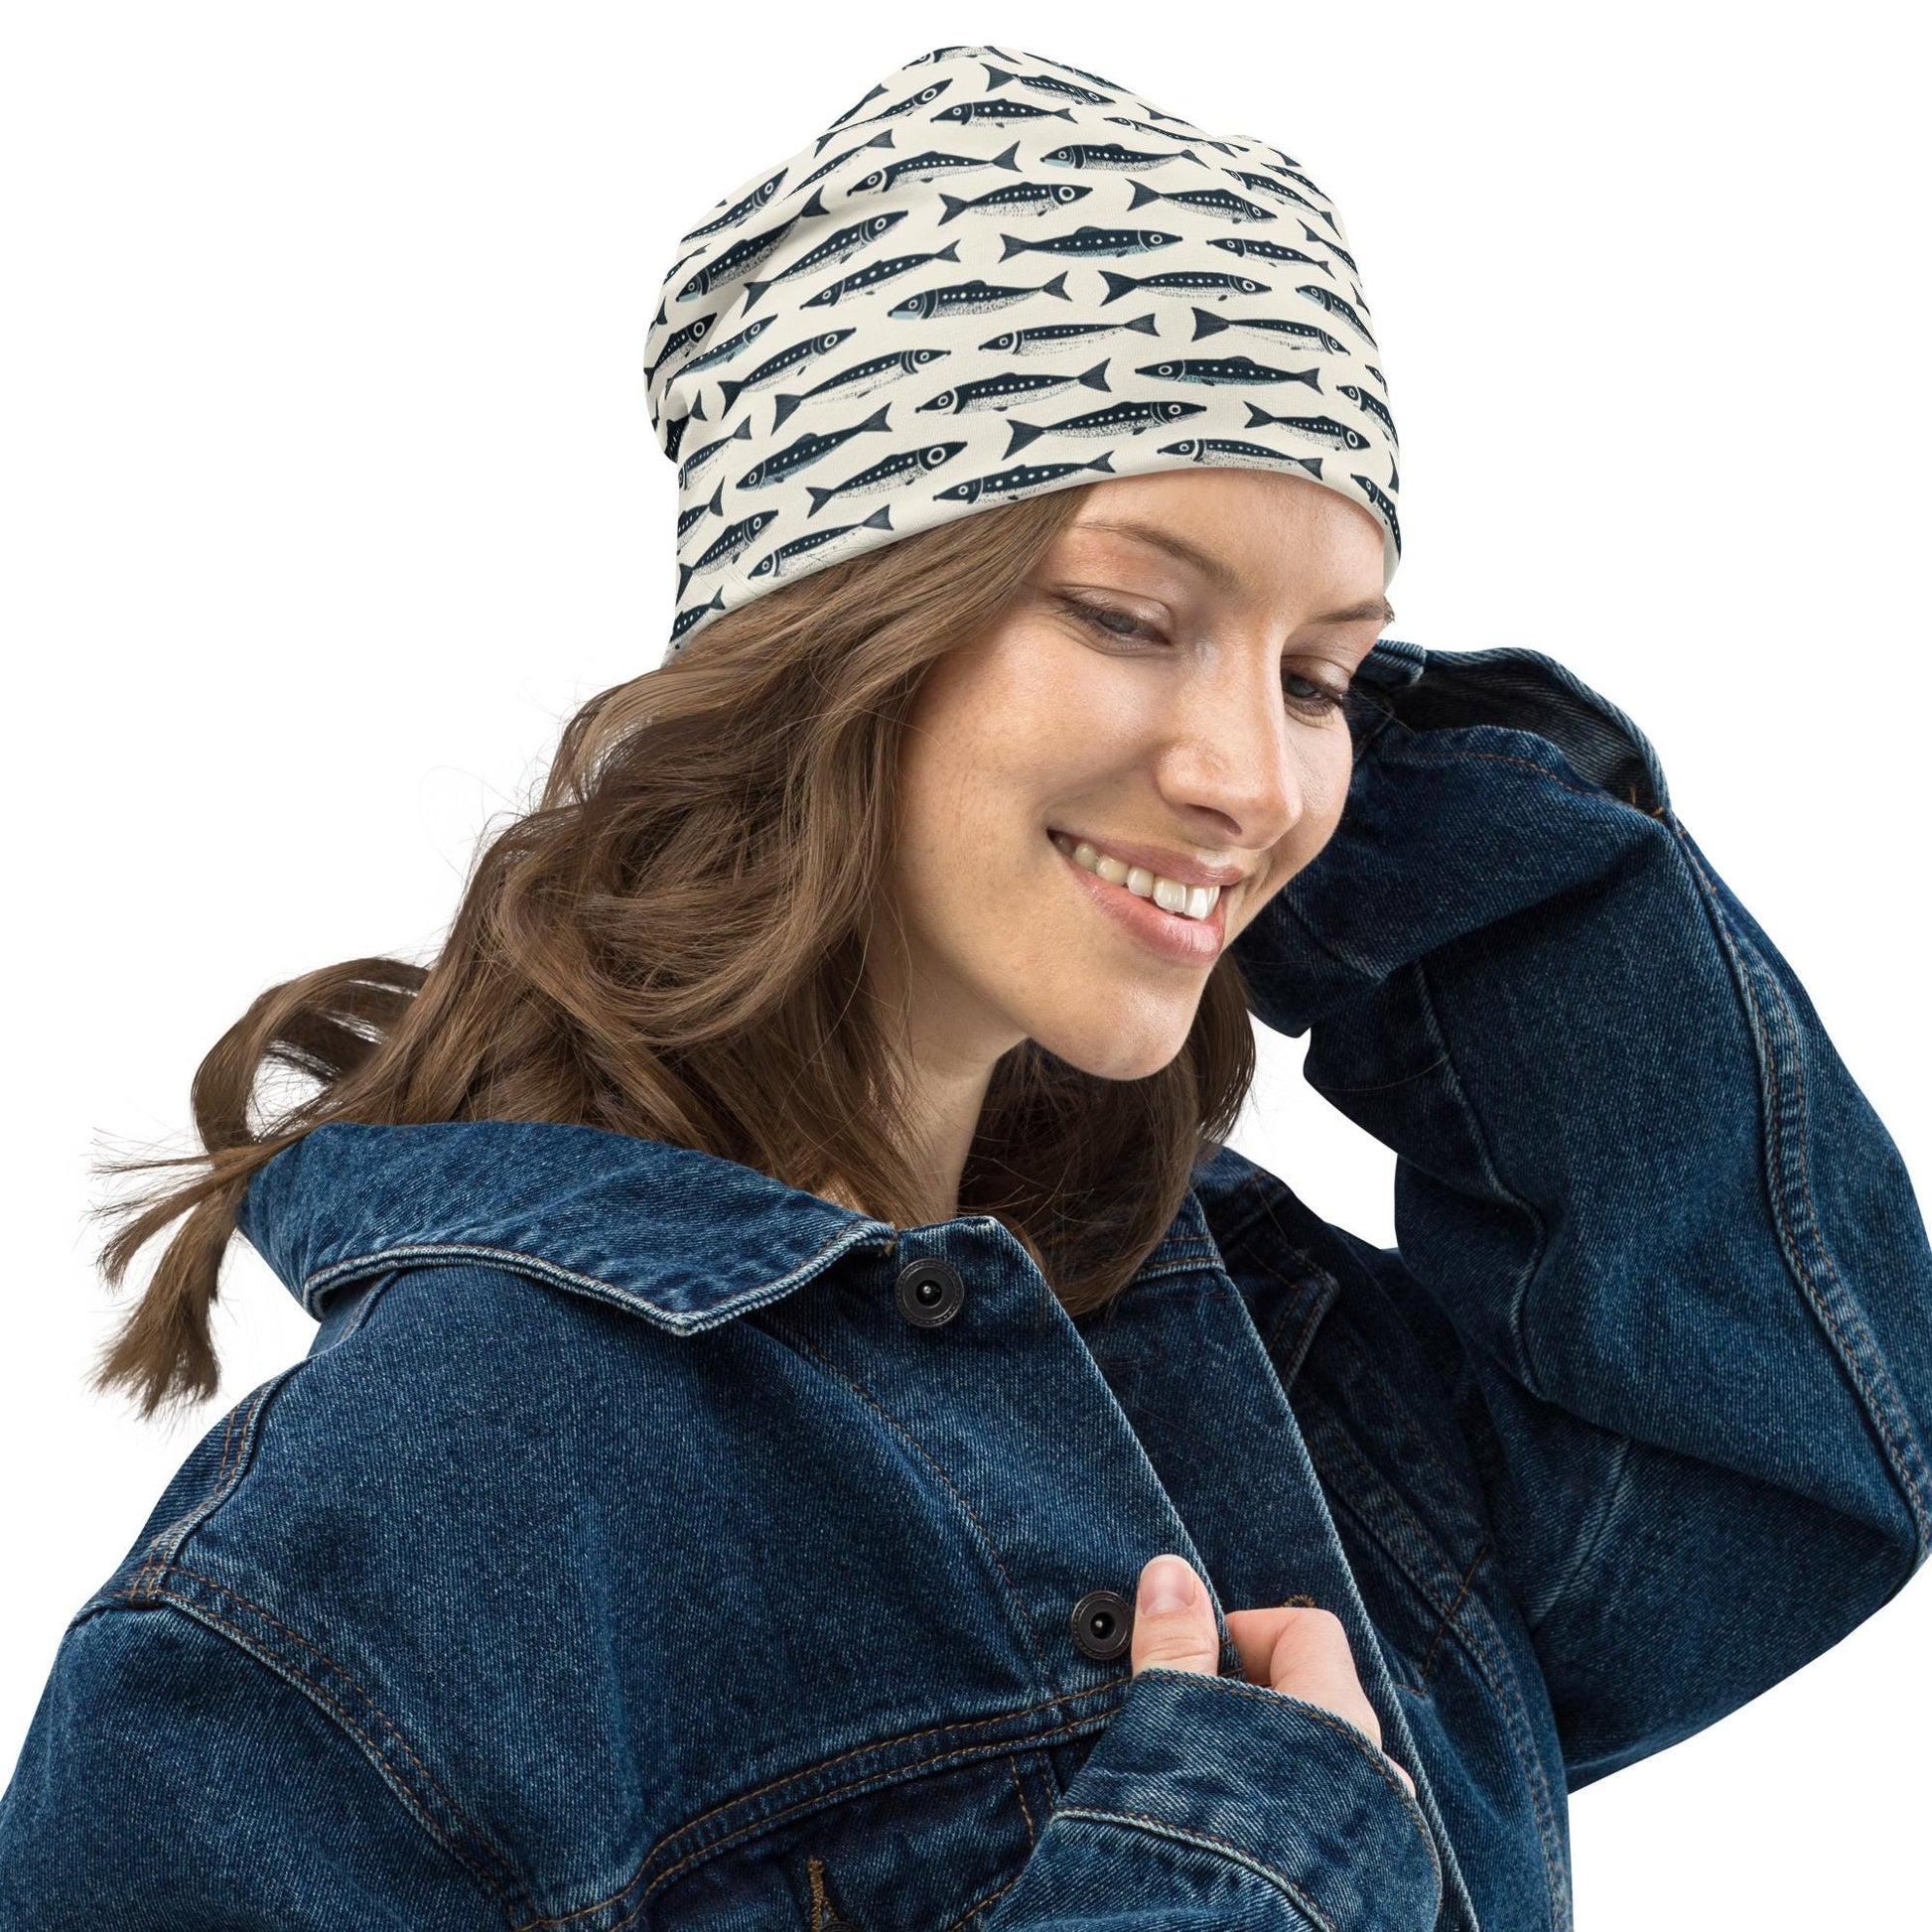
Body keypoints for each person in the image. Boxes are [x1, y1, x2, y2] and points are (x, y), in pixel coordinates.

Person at [2, 41, 1927, 1931]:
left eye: (1317, 676)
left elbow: (1776, 1450)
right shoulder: (369, 1558)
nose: (1257, 778)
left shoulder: (1222, 1325)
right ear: (833, 633)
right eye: (1126, 614)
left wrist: (1301, 778)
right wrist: (1224, 1871)